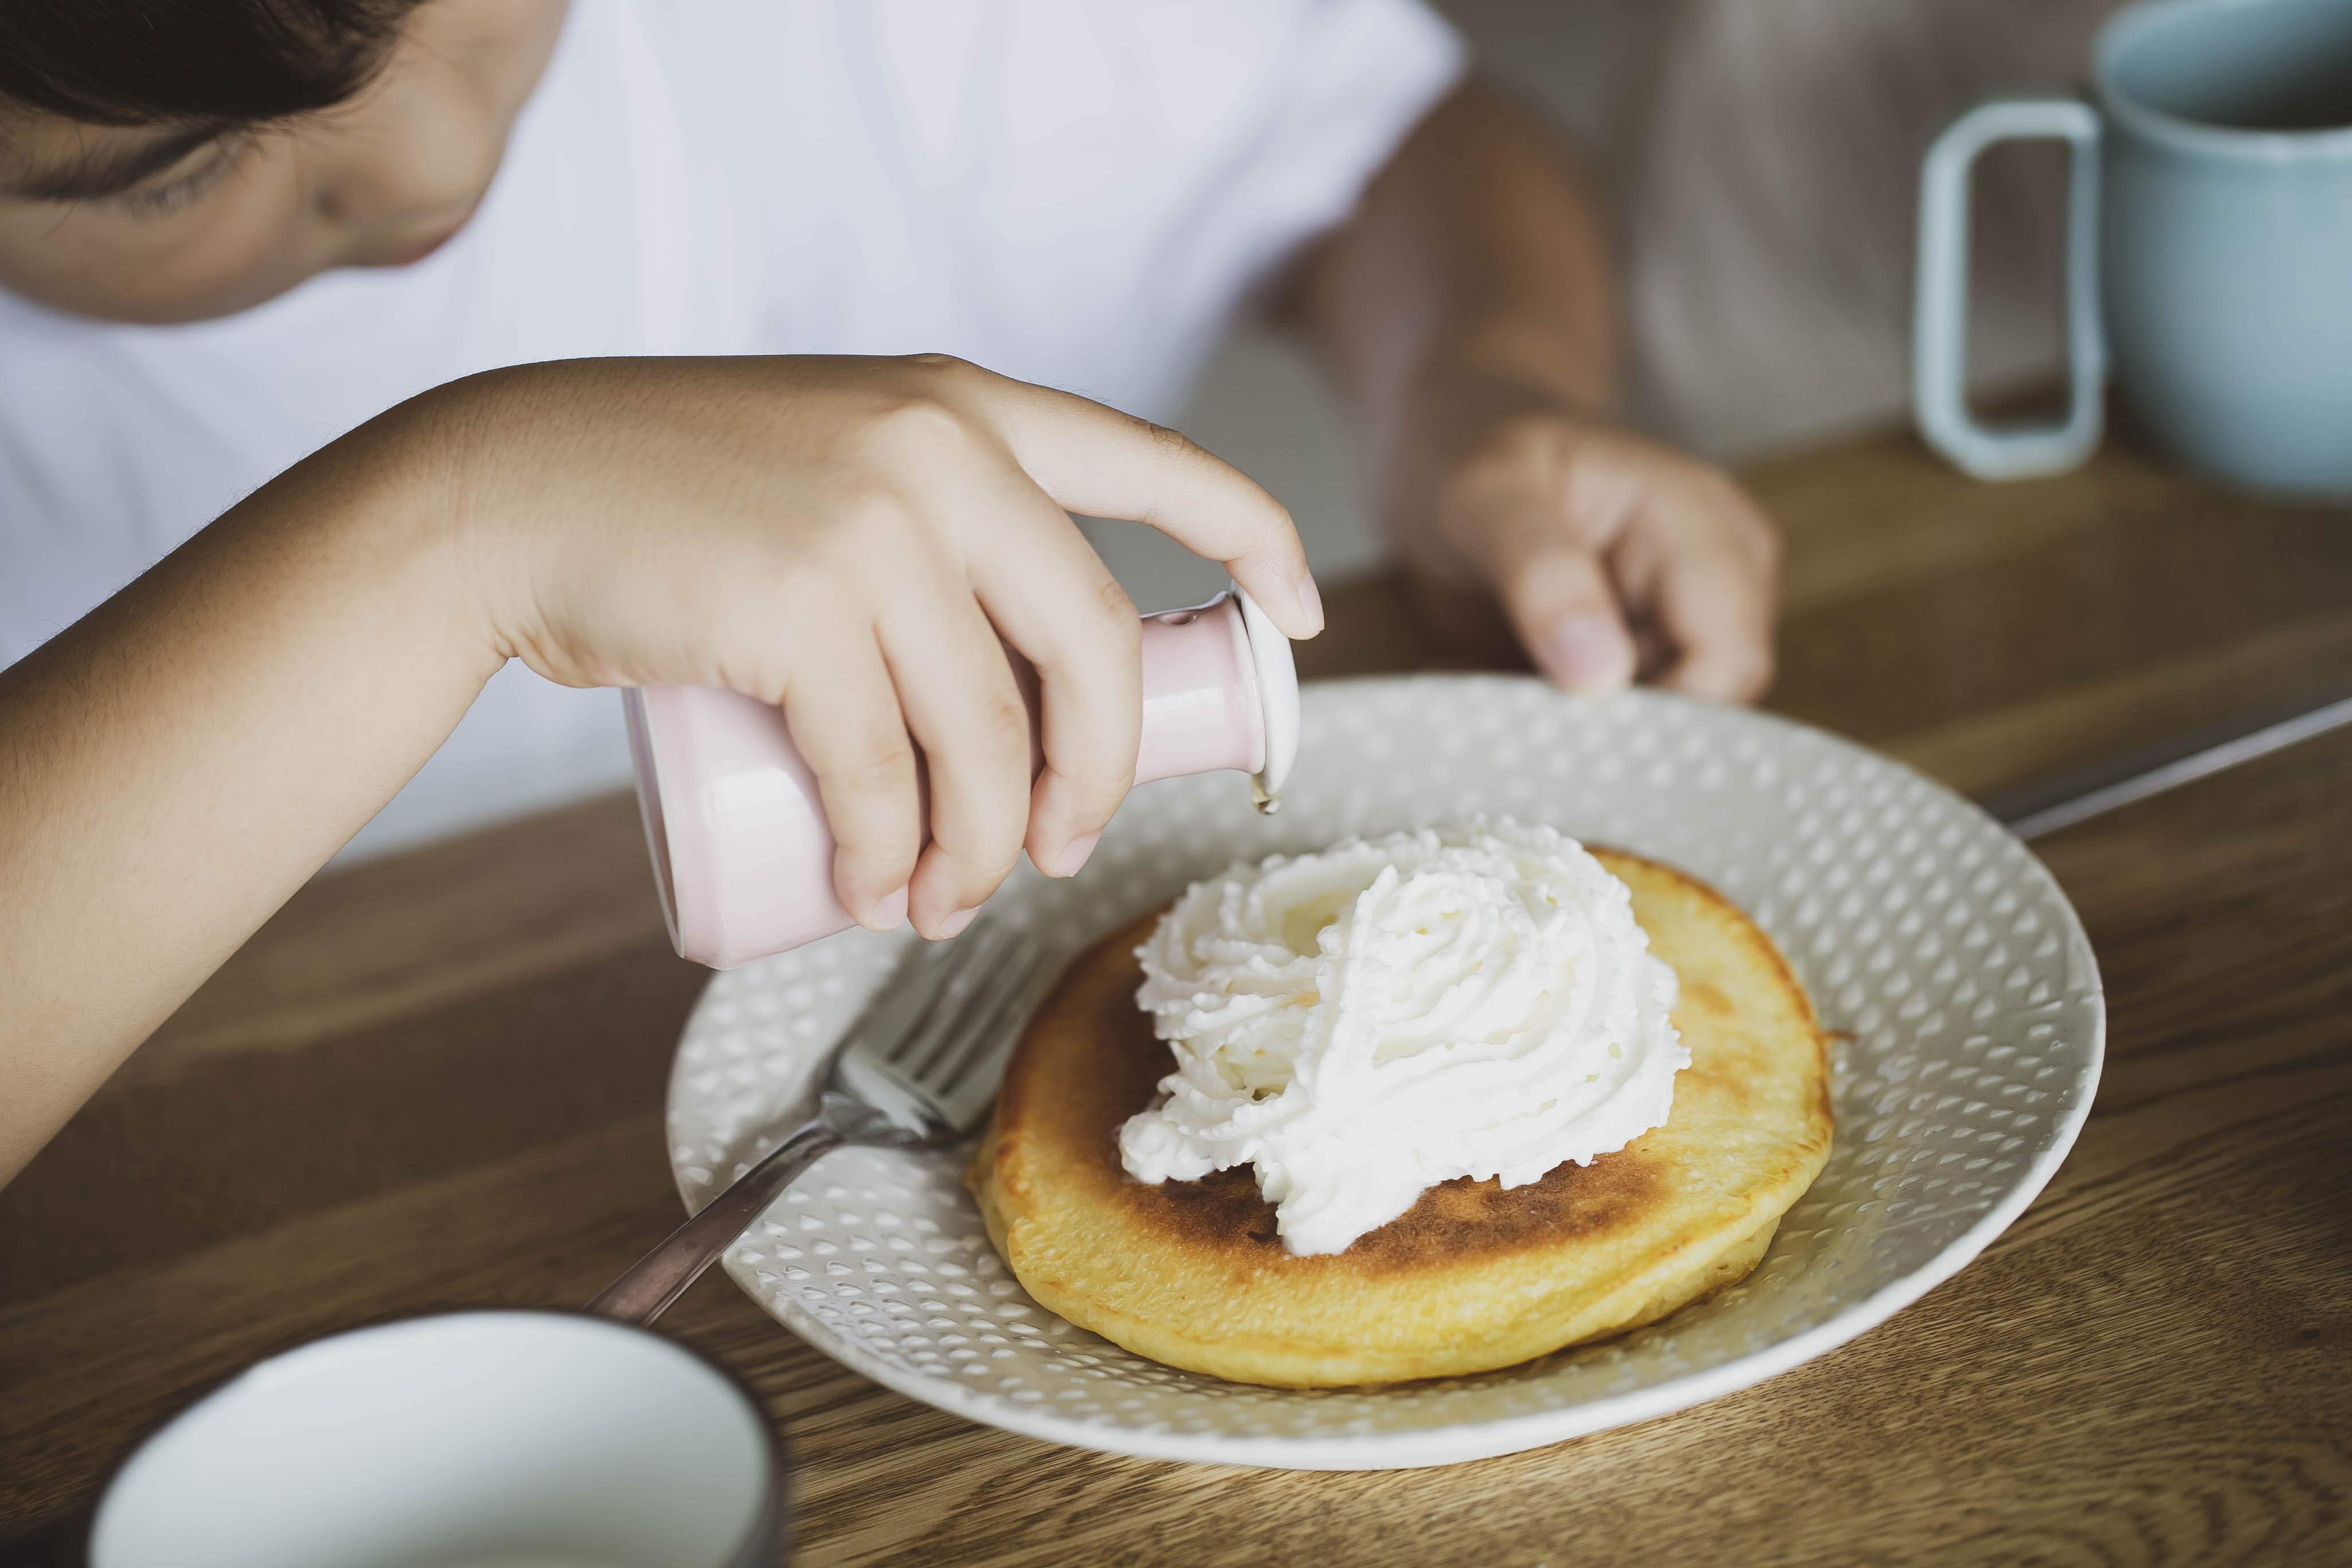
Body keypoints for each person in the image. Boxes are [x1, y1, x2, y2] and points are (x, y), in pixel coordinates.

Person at [0, 0, 1777, 1183]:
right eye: (176, 171)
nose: (442, 161)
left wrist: (1488, 387)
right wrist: (461, 522)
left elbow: (1392, 139)